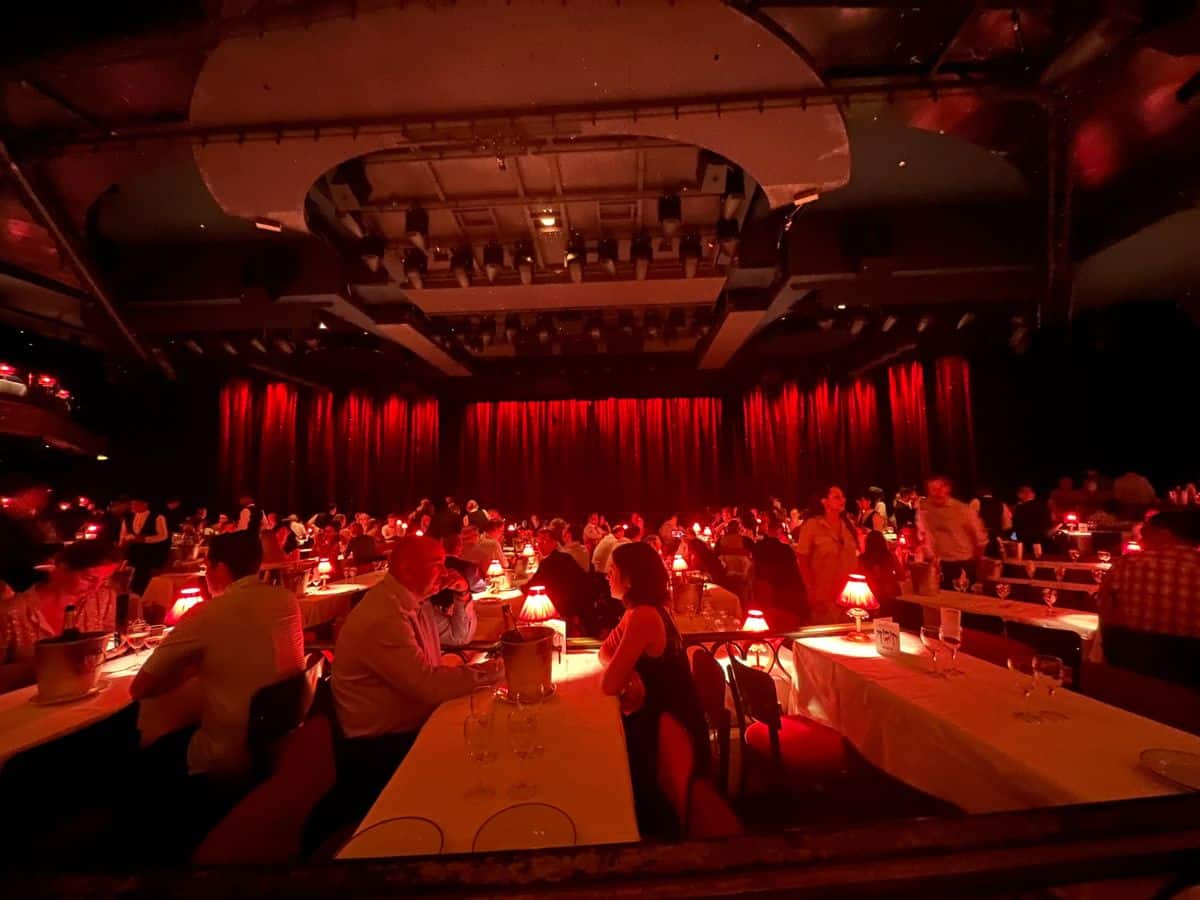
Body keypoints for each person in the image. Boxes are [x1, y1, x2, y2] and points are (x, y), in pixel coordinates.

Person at [332, 537, 501, 811]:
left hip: (411, 725)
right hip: (381, 752)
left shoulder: (415, 603)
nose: (446, 573)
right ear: (408, 570)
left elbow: (459, 637)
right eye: (437, 565)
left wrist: (462, 595)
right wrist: (497, 669)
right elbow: (429, 686)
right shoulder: (384, 615)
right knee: (486, 748)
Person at [131, 531, 305, 779]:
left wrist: (192, 670)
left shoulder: (206, 613)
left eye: (206, 568)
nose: (206, 575)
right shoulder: (287, 599)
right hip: (281, 736)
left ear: (219, 567)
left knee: (149, 748)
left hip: (227, 753)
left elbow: (139, 688)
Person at [600, 541, 709, 836]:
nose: (607, 575)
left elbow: (609, 684)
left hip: (670, 732)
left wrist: (626, 671)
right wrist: (631, 671)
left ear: (631, 579)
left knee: (603, 745)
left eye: (613, 570)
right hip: (665, 719)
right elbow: (604, 652)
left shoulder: (644, 616)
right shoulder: (642, 610)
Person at [1095, 510, 1200, 687]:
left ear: (1165, 532)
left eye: (1146, 530)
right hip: (1192, 685)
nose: (1140, 535)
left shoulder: (1125, 565)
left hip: (1128, 674)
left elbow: (1104, 613)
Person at [0, 541, 121, 693]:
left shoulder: (104, 598)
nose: (96, 588)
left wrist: (117, 644)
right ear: (62, 568)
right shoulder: (11, 612)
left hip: (89, 692)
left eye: (104, 580)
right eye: (89, 578)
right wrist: (44, 667)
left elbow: (111, 639)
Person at [796, 485, 860, 624]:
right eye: (837, 497)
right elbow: (802, 558)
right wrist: (810, 590)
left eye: (843, 497)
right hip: (823, 595)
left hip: (848, 596)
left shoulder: (847, 525)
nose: (842, 500)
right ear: (824, 502)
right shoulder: (812, 525)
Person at [917, 476, 987, 588]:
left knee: (964, 602)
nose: (937, 493)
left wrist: (976, 562)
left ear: (948, 488)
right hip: (940, 564)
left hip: (963, 563)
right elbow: (924, 532)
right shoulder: (925, 507)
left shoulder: (962, 510)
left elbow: (980, 539)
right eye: (933, 489)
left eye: (940, 488)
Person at [525, 528, 600, 634]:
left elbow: (531, 587)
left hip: (564, 608)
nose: (540, 545)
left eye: (545, 541)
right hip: (578, 604)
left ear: (554, 543)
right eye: (538, 541)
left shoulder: (548, 563)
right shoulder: (564, 557)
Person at [0, 481, 53, 595]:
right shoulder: (7, 523)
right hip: (12, 581)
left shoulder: (25, 521)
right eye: (36, 496)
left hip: (22, 575)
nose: (42, 502)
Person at [751, 520, 806, 627]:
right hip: (782, 587)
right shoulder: (785, 549)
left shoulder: (758, 546)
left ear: (768, 530)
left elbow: (753, 564)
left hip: (762, 584)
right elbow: (793, 567)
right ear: (779, 531)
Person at [119, 496, 170, 598]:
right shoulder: (128, 518)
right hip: (132, 552)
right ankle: (132, 597)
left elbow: (163, 535)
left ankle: (142, 597)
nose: (132, 506)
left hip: (148, 553)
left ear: (145, 504)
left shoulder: (157, 517)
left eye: (135, 504)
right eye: (132, 504)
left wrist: (145, 539)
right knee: (131, 576)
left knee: (144, 577)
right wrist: (123, 543)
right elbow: (123, 534)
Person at [859, 530, 904, 620]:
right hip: (888, 595)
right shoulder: (890, 557)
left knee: (870, 623)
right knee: (888, 622)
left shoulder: (862, 559)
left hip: (869, 596)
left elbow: (859, 578)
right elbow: (901, 575)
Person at [969, 486, 1012, 556]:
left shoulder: (975, 502)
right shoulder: (1001, 504)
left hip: (981, 539)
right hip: (997, 539)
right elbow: (1007, 525)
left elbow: (970, 521)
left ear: (979, 492)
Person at [1011, 485, 1052, 552]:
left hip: (1025, 542)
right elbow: (1048, 525)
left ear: (1020, 495)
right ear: (1033, 494)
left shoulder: (1020, 508)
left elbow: (1015, 527)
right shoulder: (1043, 507)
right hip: (1042, 541)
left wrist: (1013, 538)